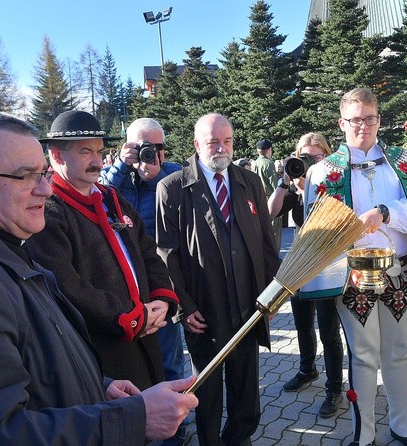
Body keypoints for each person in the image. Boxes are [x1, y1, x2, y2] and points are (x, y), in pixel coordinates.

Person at [0, 108, 198, 444]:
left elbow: (39, 360)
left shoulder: (4, 244)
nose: (44, 189)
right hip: (117, 352)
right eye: (25, 176)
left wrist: (98, 384)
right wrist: (133, 419)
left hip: (124, 373)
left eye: (42, 174)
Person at [300, 88, 407, 446]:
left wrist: (383, 213)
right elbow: (314, 231)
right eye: (356, 120)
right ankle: (364, 431)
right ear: (342, 123)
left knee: (398, 351)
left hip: (398, 272)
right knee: (364, 354)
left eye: (370, 118)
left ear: (379, 120)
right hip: (352, 277)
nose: (363, 126)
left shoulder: (405, 161)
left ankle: (402, 424)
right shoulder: (323, 171)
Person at [25, 110, 179, 394]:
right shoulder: (48, 211)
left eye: (99, 150)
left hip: (146, 336)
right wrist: (130, 317)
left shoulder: (111, 197)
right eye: (86, 152)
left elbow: (148, 252)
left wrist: (161, 298)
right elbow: (65, 285)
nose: (97, 161)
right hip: (102, 354)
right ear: (57, 156)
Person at [156, 113, 280, 446]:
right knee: (207, 390)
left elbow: (267, 243)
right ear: (197, 144)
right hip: (204, 309)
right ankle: (210, 441)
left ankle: (238, 439)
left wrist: (273, 296)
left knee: (245, 387)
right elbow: (165, 253)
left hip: (249, 305)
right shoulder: (172, 188)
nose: (221, 148)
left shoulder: (249, 181)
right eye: (213, 141)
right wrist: (183, 306)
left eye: (227, 141)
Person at [99, 117, 188, 446]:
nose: (150, 153)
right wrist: (124, 166)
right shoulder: (117, 178)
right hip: (122, 286)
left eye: (156, 147)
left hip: (162, 284)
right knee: (134, 364)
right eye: (141, 147)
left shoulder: (174, 175)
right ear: (128, 146)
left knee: (170, 359)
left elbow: (181, 209)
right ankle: (143, 422)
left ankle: (175, 431)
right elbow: (100, 190)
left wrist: (156, 178)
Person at [268, 132, 345, 417]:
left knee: (328, 329)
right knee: (302, 322)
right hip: (300, 260)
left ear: (327, 157)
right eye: (304, 156)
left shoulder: (333, 185)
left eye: (316, 156)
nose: (310, 162)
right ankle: (307, 369)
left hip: (328, 261)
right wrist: (287, 181)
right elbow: (271, 212)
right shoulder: (296, 187)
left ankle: (334, 388)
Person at [251, 138, 282, 251]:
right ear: (269, 150)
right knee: (274, 230)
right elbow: (274, 185)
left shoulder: (255, 163)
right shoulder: (268, 164)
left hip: (258, 198)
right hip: (270, 198)